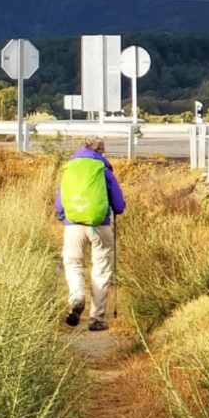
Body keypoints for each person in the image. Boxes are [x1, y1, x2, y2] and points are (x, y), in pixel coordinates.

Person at [56, 137, 125, 331]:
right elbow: (119, 205)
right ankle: (97, 319)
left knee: (73, 263)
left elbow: (60, 202)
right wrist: (115, 210)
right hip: (100, 225)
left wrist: (64, 217)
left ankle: (77, 296)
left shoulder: (70, 169)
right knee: (101, 269)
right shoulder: (103, 170)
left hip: (73, 226)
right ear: (101, 151)